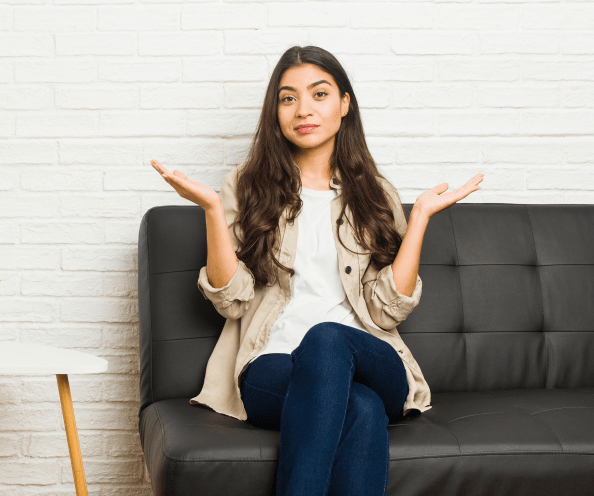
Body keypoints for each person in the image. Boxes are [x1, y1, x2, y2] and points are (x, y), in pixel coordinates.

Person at [150, 45, 484, 496]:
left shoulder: (375, 194)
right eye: (288, 98)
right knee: (361, 408)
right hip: (272, 365)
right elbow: (232, 300)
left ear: (344, 104)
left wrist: (420, 216)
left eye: (319, 94)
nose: (302, 109)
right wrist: (212, 208)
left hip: (371, 359)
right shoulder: (246, 187)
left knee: (327, 338)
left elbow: (386, 312)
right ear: (276, 111)